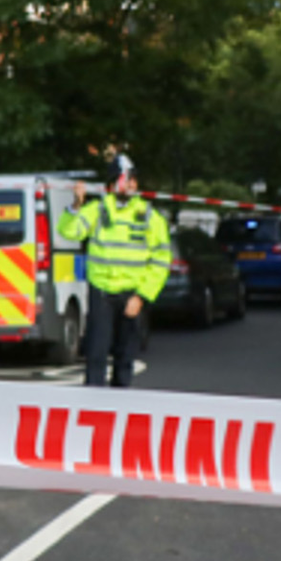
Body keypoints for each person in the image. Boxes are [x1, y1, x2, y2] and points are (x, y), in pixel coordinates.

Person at [59, 156, 170, 388]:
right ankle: (93, 410)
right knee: (96, 356)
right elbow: (69, 232)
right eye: (125, 179)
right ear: (111, 185)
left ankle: (120, 411)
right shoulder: (97, 210)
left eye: (133, 180)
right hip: (102, 294)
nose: (130, 184)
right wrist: (76, 206)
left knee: (125, 359)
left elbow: (161, 261)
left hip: (132, 296)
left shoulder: (150, 217)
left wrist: (141, 296)